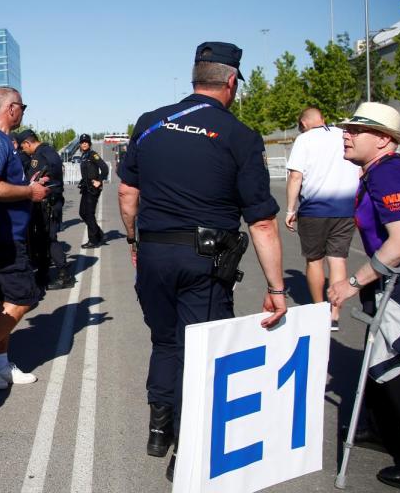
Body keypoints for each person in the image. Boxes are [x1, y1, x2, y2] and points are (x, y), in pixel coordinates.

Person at [117, 42, 286, 482]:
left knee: (165, 342)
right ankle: (188, 448)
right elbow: (263, 223)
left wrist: (135, 241)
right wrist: (276, 289)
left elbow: (127, 193)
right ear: (231, 81)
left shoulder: (150, 123)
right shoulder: (240, 136)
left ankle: (159, 428)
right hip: (204, 260)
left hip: (154, 252)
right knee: (202, 352)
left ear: (196, 77)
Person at [327, 102, 400, 491]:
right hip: (394, 273)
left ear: (385, 140)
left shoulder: (388, 173)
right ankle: (378, 426)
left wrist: (351, 283)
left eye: (357, 129)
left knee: (396, 359)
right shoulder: (379, 172)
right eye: (347, 128)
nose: (346, 134)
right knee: (378, 351)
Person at [0, 87, 50, 389]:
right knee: (22, 298)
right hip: (1, 236)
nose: (23, 113)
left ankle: (0, 363)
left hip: (2, 233)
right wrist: (31, 192)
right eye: (23, 107)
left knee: (3, 302)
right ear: (12, 108)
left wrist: (28, 186)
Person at [284, 107, 360, 331]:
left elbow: (296, 175)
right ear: (323, 119)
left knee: (314, 259)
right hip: (346, 208)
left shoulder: (305, 139)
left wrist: (290, 209)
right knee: (338, 259)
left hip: (314, 209)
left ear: (304, 123)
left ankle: (319, 309)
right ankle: (334, 313)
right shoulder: (344, 135)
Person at [16, 129, 75, 289]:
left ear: (27, 143)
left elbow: (33, 179)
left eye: (23, 147)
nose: (23, 151)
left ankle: (64, 275)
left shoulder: (39, 156)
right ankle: (42, 275)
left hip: (47, 203)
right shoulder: (48, 151)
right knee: (42, 239)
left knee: (50, 239)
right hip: (50, 201)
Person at [78, 134, 108, 248]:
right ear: (80, 145)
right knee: (82, 213)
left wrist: (99, 181)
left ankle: (93, 240)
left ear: (89, 144)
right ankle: (99, 233)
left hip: (93, 188)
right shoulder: (84, 156)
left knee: (89, 214)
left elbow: (104, 168)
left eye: (86, 142)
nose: (84, 143)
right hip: (86, 188)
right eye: (82, 142)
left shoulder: (92, 154)